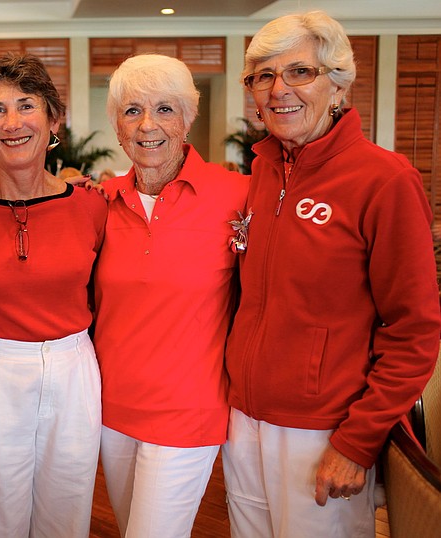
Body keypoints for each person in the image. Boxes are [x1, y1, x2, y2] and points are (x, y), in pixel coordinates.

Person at [223, 11, 441, 538]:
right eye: (263, 76)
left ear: (338, 84)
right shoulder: (260, 173)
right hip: (243, 420)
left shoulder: (385, 180)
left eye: (299, 72)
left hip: (323, 431)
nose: (279, 90)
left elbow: (414, 331)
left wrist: (357, 442)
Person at [0, 53, 107, 537]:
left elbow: (110, 289)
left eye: (26, 105)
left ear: (54, 120)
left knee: (66, 514)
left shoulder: (90, 206)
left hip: (72, 369)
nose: (12, 122)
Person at [93, 54, 248, 537]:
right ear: (117, 126)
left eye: (164, 109)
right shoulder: (98, 201)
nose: (147, 125)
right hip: (111, 410)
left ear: (187, 118)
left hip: (189, 411)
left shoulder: (238, 195)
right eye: (132, 110)